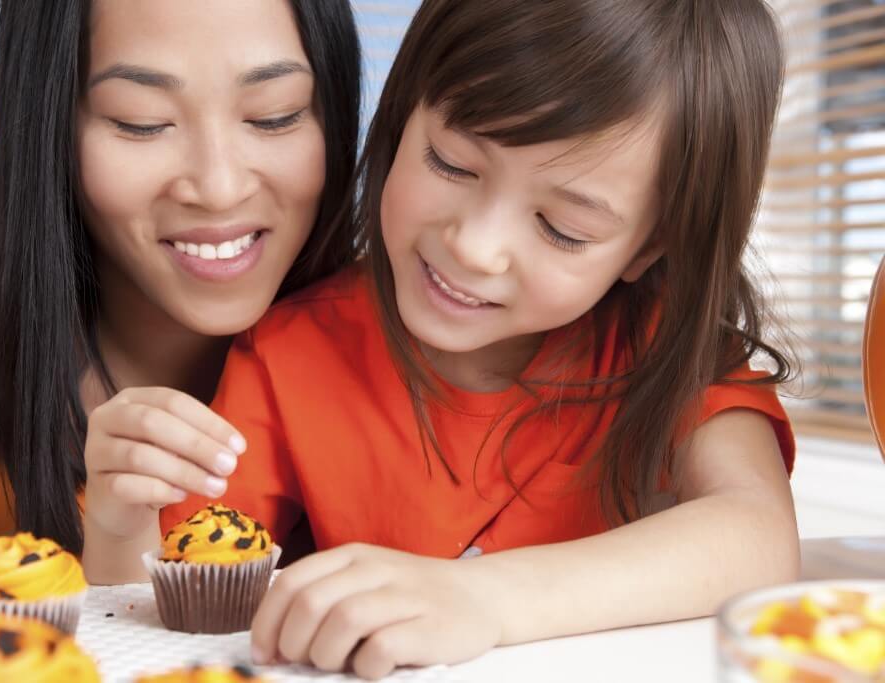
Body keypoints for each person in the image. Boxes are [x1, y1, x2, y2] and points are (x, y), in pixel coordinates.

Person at [162, 0, 800, 677]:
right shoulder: (288, 352)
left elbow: (758, 535)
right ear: (404, 114)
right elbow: (181, 591)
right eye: (451, 162)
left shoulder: (667, 346)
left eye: (562, 229)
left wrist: (481, 598)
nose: (474, 246)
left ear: (650, 246)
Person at [0, 0, 360, 598]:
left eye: (276, 116)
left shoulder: (415, 348)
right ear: (50, 129)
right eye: (141, 121)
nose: (219, 187)